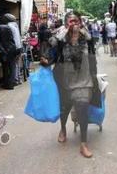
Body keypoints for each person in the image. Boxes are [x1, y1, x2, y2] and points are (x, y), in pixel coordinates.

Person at [41, 12, 99, 158]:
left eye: (76, 22)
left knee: (82, 108)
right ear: (66, 24)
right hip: (65, 81)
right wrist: (62, 33)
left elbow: (92, 44)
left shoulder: (86, 38)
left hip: (84, 81)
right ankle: (63, 129)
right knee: (64, 108)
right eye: (70, 22)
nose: (74, 25)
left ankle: (83, 144)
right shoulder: (60, 39)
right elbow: (47, 49)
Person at [0, 17, 17, 89]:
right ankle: (11, 84)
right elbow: (12, 40)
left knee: (5, 68)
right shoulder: (9, 28)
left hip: (5, 51)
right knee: (12, 67)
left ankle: (6, 83)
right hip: (11, 49)